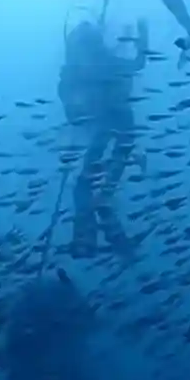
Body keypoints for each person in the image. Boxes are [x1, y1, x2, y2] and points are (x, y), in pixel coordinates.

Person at [58, 17, 144, 257]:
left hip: (112, 127)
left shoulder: (77, 70)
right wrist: (143, 36)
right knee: (94, 188)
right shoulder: (94, 65)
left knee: (87, 187)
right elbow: (138, 63)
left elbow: (69, 103)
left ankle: (90, 234)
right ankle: (102, 235)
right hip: (120, 127)